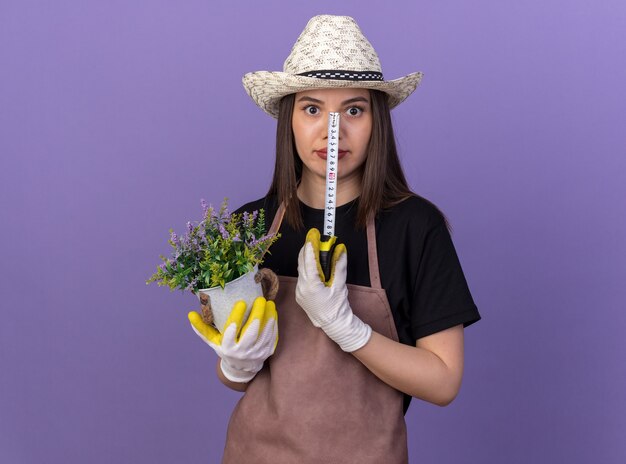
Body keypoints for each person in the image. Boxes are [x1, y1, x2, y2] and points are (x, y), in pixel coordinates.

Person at [188, 14, 481, 463]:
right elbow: (241, 380)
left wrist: (348, 329)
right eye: (312, 109)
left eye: (354, 110)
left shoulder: (415, 228)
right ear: (289, 120)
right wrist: (234, 363)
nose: (333, 129)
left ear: (376, 121)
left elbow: (443, 382)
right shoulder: (250, 229)